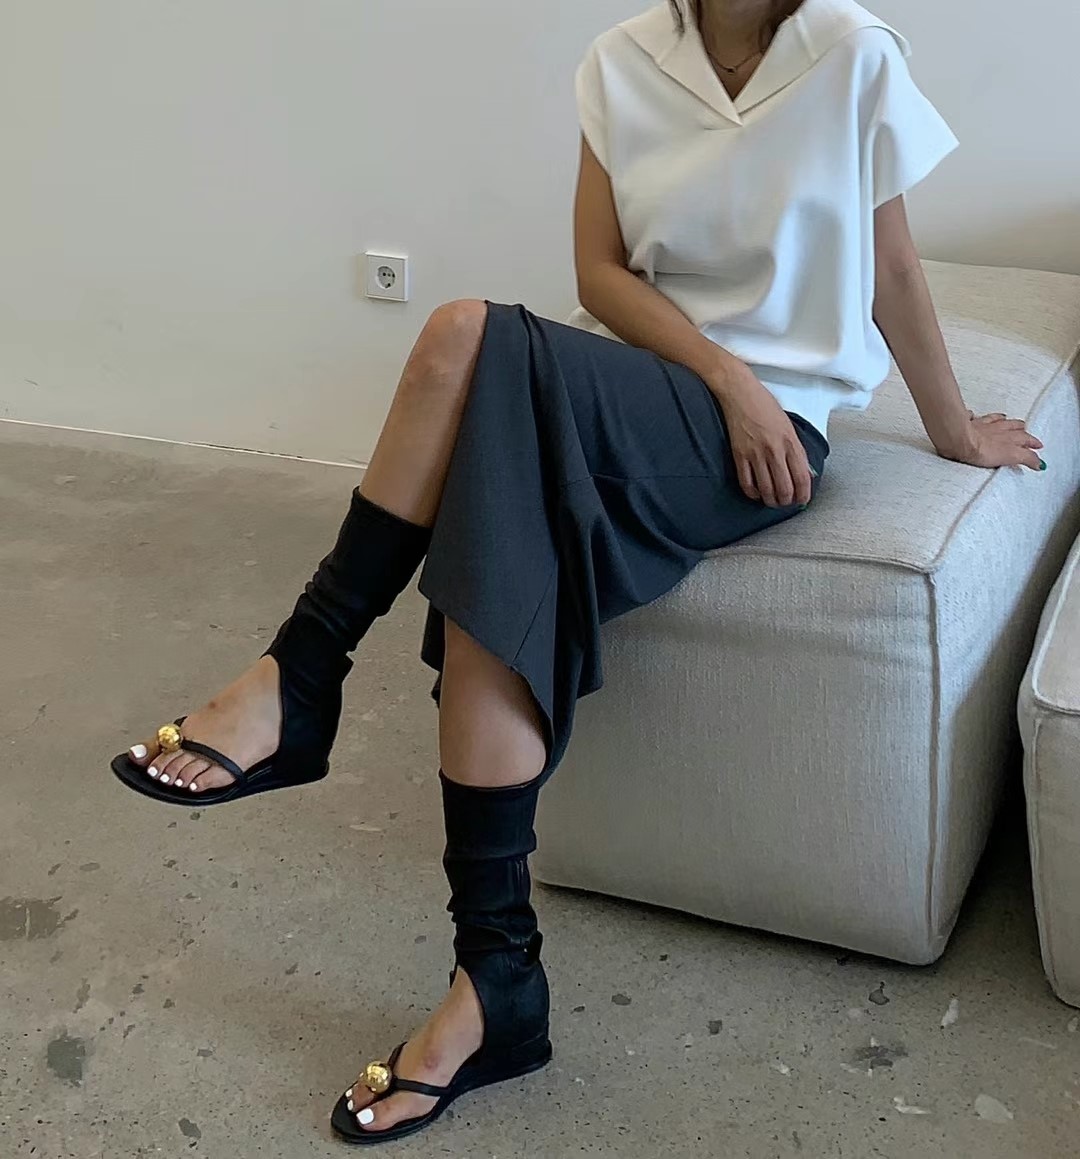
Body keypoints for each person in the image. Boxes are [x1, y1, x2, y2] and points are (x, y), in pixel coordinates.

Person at [110, 0, 1045, 1145]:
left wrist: (949, 428)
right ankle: (494, 977)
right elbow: (600, 276)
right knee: (497, 530)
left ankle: (302, 676)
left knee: (463, 336)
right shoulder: (622, 61)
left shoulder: (852, 54)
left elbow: (892, 264)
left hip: (771, 436)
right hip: (664, 386)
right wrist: (722, 373)